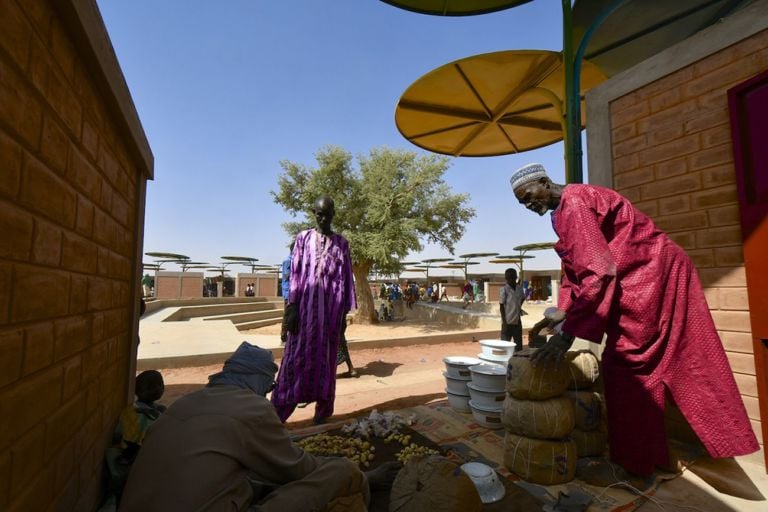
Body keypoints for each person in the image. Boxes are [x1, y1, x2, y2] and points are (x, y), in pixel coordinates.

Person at [511, 162, 759, 476]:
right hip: (638, 282)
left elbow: (598, 272)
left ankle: (633, 466)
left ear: (544, 182)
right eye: (522, 203)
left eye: (529, 195)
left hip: (653, 276)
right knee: (640, 370)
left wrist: (566, 336)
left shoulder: (575, 203)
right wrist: (561, 313)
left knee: (627, 367)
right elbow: (577, 269)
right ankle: (650, 456)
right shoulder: (562, 212)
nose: (529, 204)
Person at [119, 343, 400, 511]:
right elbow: (296, 470)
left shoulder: (185, 402)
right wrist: (344, 468)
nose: (268, 392)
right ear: (257, 381)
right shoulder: (252, 409)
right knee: (340, 470)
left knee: (251, 479)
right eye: (268, 385)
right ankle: (365, 481)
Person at [273, 196, 356, 424]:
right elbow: (295, 275)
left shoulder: (342, 244)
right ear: (314, 213)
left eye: (327, 214)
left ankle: (322, 413)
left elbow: (346, 279)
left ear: (333, 214)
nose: (323, 218)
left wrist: (343, 317)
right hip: (304, 315)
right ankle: (278, 412)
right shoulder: (303, 239)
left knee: (326, 364)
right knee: (294, 360)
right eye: (319, 213)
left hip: (330, 316)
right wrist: (291, 308)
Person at [105, 370, 166, 504]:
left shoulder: (130, 410)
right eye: (159, 385)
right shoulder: (150, 415)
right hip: (136, 462)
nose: (162, 388)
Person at [499, 268, 525, 351]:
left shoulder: (519, 288)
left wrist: (518, 307)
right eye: (508, 278)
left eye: (512, 277)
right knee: (505, 346)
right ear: (506, 279)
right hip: (507, 322)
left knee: (518, 346)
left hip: (517, 322)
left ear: (515, 277)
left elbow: (522, 298)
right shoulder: (504, 289)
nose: (510, 280)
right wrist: (504, 322)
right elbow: (501, 306)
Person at [279, 241, 295, 344]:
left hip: (295, 292)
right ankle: (283, 338)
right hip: (289, 293)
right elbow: (287, 276)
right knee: (287, 316)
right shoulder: (288, 261)